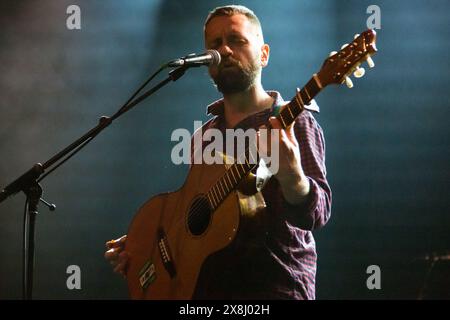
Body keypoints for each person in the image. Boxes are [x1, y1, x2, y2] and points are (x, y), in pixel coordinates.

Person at [105, 5, 331, 300]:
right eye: (214, 44)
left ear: (263, 54)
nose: (224, 49)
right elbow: (195, 215)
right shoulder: (204, 136)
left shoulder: (294, 121)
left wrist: (294, 179)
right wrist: (148, 244)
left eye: (236, 40)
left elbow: (319, 213)